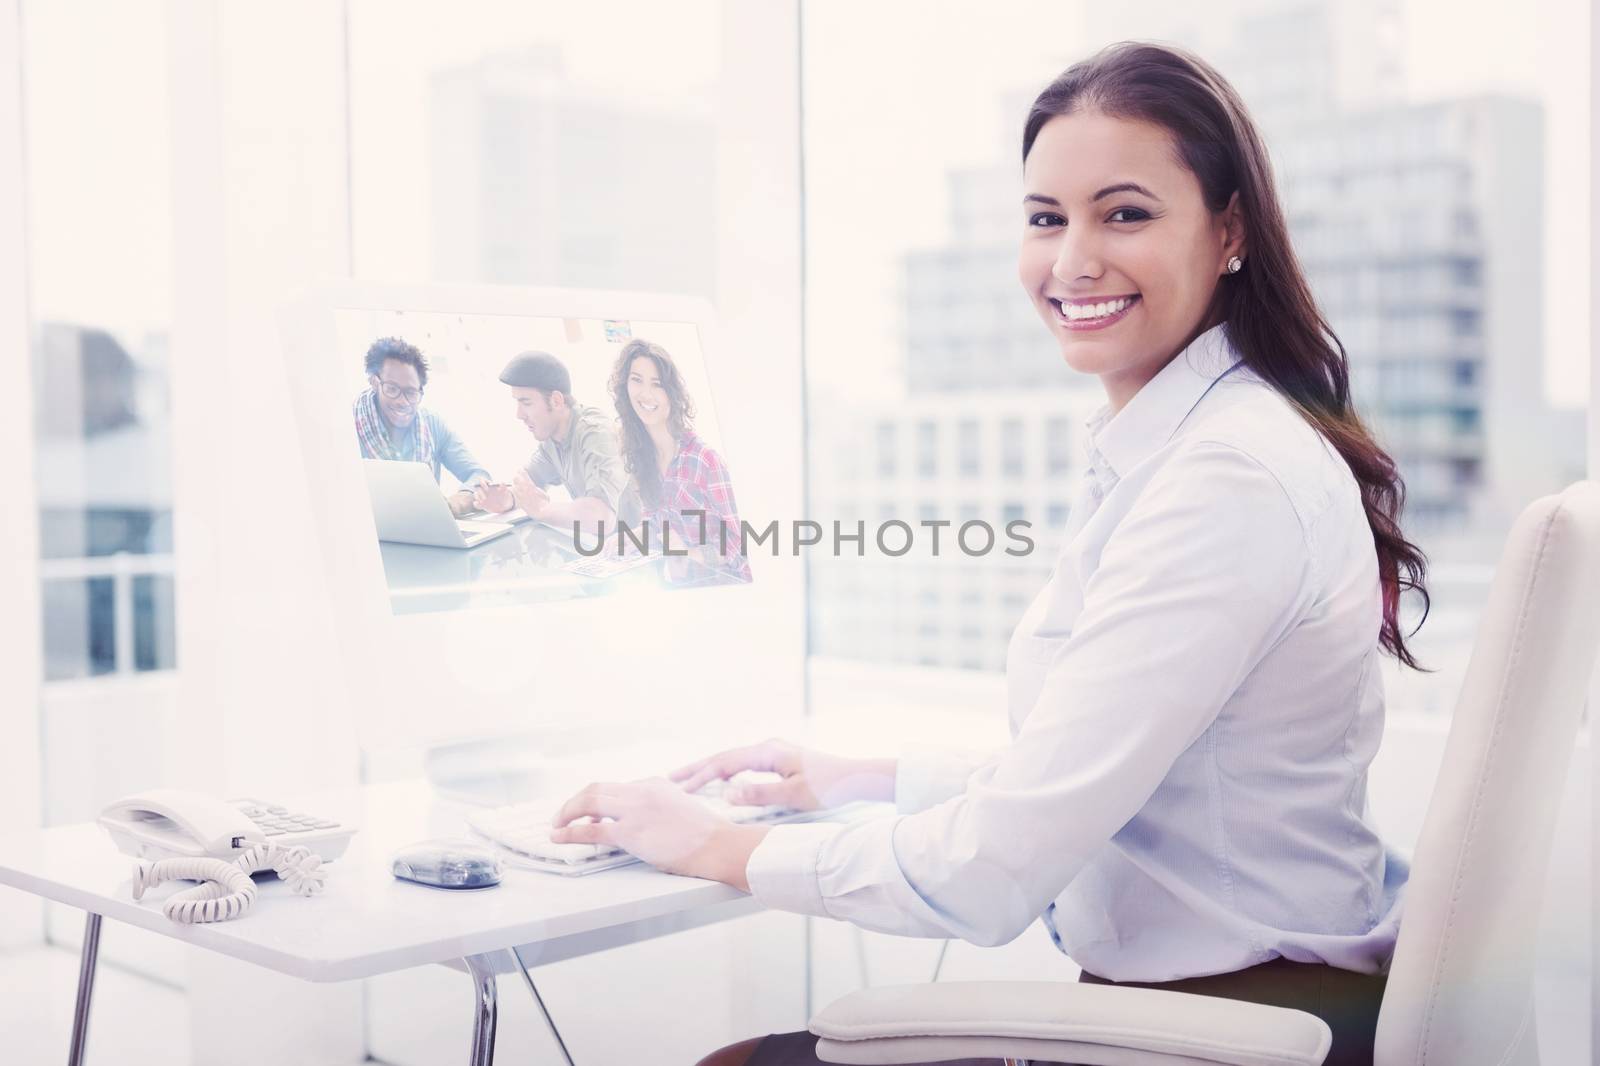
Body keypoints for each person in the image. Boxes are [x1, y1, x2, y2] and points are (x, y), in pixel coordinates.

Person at [550, 41, 1428, 1066]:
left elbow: (988, 872)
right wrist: (856, 776)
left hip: (1232, 1035)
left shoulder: (1224, 480)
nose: (1072, 261)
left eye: (1124, 213)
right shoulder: (1196, 446)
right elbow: (1104, 769)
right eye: (1046, 218)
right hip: (1250, 1012)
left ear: (1228, 229)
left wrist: (715, 845)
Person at [608, 338, 752, 584]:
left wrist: (690, 554)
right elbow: (658, 521)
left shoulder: (704, 461)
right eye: (636, 380)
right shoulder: (641, 458)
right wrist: (635, 536)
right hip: (683, 585)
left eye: (657, 384)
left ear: (672, 395)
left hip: (727, 586)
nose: (646, 393)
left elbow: (742, 544)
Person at [472, 350, 631, 537]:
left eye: (526, 403)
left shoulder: (595, 432)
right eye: (517, 403)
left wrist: (542, 509)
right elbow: (526, 487)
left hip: (643, 548)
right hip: (607, 549)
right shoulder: (552, 440)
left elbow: (601, 518)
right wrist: (504, 499)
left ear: (556, 401)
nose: (519, 415)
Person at [353, 336, 491, 516]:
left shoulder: (432, 424)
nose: (402, 401)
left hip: (424, 533)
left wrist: (455, 504)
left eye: (411, 392)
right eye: (392, 389)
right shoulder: (347, 427)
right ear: (374, 382)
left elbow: (479, 475)